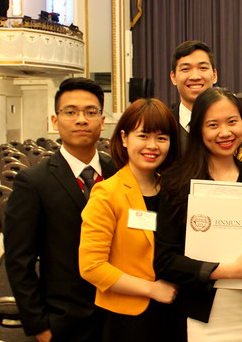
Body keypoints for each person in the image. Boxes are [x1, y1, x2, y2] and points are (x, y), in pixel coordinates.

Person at [155, 87, 242, 341]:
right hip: (197, 317)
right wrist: (224, 270)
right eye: (213, 124)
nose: (225, 132)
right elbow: (165, 260)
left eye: (232, 121)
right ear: (199, 129)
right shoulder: (177, 182)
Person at [4, 77, 117, 342]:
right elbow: (19, 261)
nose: (81, 119)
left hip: (119, 317)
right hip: (64, 322)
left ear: (102, 121)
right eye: (71, 112)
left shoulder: (119, 174)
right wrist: (39, 326)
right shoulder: (33, 182)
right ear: (55, 122)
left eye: (91, 112)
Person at [79, 98, 180, 341]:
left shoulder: (172, 190)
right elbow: (91, 267)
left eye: (162, 138)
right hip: (127, 319)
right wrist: (152, 289)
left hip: (174, 313)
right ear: (124, 138)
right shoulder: (108, 192)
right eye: (143, 136)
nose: (152, 146)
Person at [169, 40, 218, 155]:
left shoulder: (234, 126)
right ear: (173, 77)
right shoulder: (163, 125)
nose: (195, 76)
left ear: (214, 75)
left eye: (203, 68)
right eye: (185, 69)